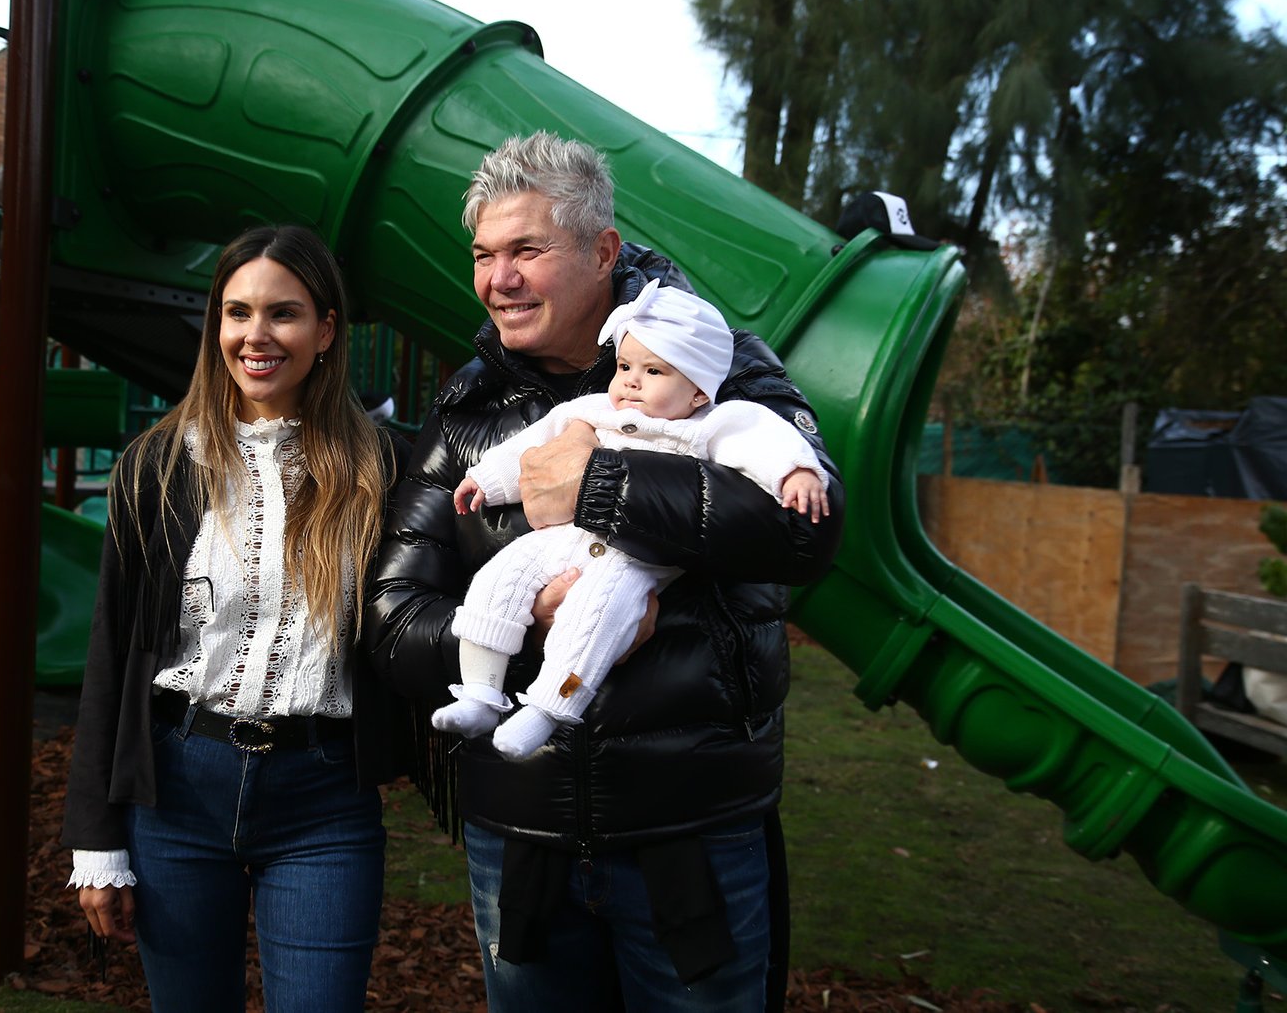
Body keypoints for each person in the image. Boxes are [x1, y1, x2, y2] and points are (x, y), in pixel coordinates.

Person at [363, 131, 845, 1011]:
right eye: (483, 255)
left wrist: (600, 484)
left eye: (526, 251)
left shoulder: (716, 367)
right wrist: (534, 616)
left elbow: (807, 529)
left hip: (689, 827)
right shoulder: (468, 412)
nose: (498, 279)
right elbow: (395, 616)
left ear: (603, 252)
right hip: (521, 832)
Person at [61, 224, 411, 1013]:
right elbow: (111, 654)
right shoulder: (155, 466)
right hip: (178, 788)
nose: (256, 335)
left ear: (326, 330)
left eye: (283, 314)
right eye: (237, 312)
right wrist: (96, 838)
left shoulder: (383, 469)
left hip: (323, 797)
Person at [435, 278, 830, 760]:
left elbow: (762, 438)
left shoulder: (711, 426)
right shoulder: (594, 409)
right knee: (501, 578)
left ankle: (545, 710)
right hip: (565, 535)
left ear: (698, 393)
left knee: (595, 617)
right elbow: (535, 444)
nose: (631, 381)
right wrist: (487, 479)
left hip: (635, 558)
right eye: (624, 366)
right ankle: (479, 690)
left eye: (654, 371)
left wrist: (795, 472)